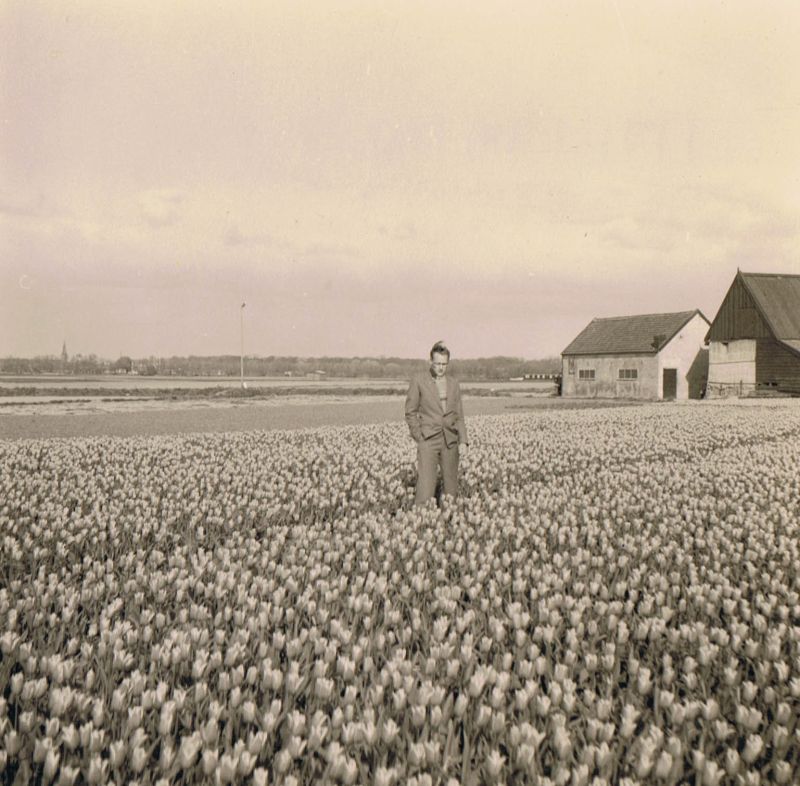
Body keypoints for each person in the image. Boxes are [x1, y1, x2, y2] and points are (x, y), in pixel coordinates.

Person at [404, 341, 468, 505]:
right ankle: (422, 518)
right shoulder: (419, 380)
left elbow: (459, 414)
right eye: (438, 363)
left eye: (444, 364)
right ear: (431, 361)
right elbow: (410, 411)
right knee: (425, 489)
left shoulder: (453, 383)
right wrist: (419, 436)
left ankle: (449, 518)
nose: (441, 368)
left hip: (450, 440)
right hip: (428, 440)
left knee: (451, 490)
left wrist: (463, 440)